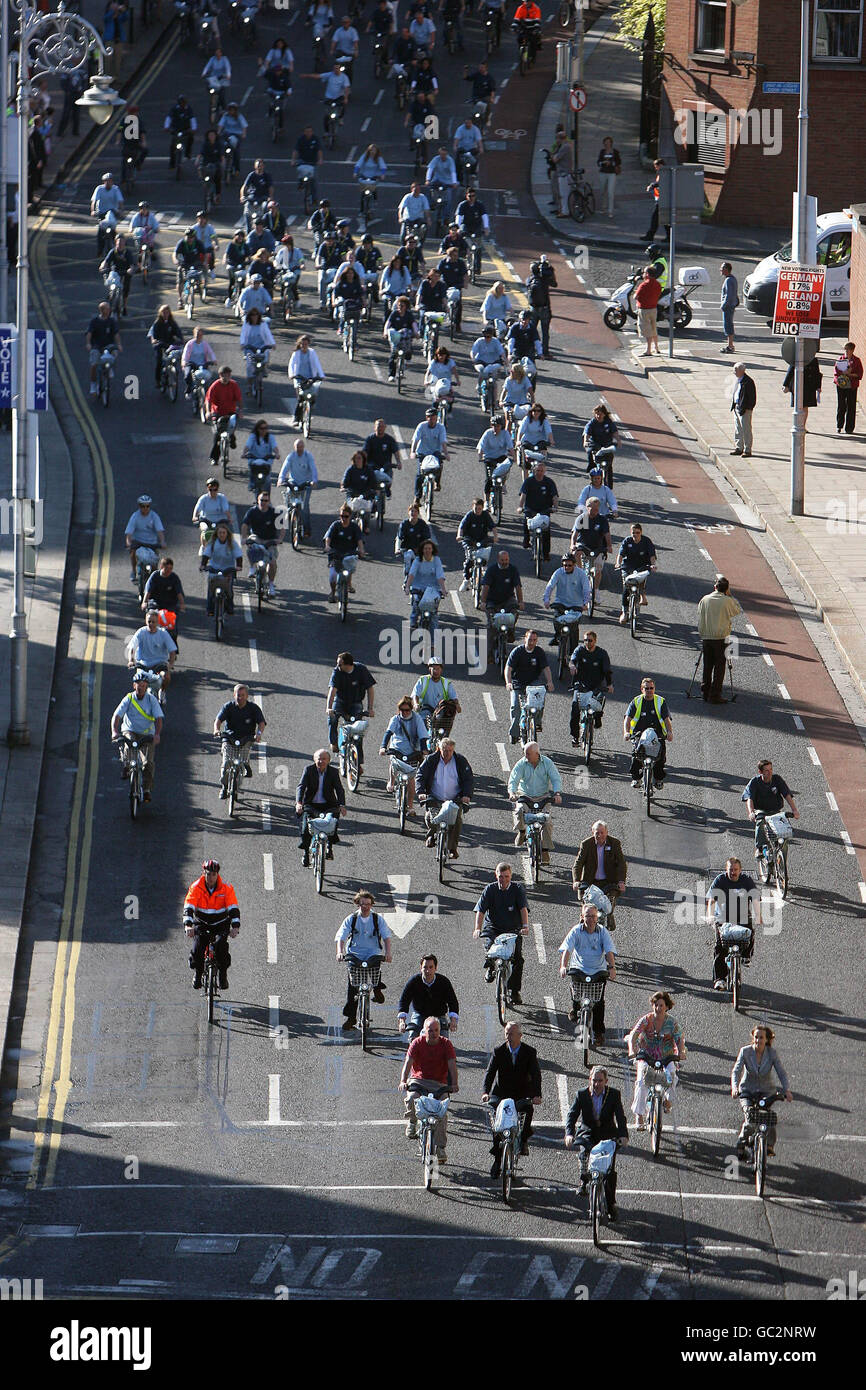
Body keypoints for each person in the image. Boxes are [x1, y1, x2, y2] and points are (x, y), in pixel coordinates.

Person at [564, 1066, 629, 1219]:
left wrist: (623, 1135)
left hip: (607, 1135)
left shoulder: (614, 1095)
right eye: (594, 1080)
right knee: (584, 1154)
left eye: (600, 1081)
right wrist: (569, 1134)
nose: (597, 1084)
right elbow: (572, 1115)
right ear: (590, 1080)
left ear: (606, 1081)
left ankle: (611, 1205)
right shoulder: (581, 1094)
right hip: (588, 1133)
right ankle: (583, 1181)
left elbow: (620, 1117)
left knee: (609, 1172)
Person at [482, 1022, 542, 1176]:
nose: (508, 1037)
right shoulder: (499, 1051)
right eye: (506, 1033)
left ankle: (523, 1140)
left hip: (521, 1093)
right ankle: (497, 1160)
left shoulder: (529, 1052)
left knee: (527, 1111)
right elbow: (490, 1073)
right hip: (501, 1093)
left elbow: (536, 1074)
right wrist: (486, 1092)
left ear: (520, 1036)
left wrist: (537, 1095)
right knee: (497, 1123)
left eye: (511, 1034)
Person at [399, 1016, 457, 1159]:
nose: (434, 1033)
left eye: (436, 1030)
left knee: (442, 1112)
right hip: (419, 1080)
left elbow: (452, 1065)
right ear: (424, 1031)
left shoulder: (446, 1044)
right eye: (430, 1031)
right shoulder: (417, 1043)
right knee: (412, 1098)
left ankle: (441, 1148)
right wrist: (403, 1081)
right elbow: (408, 1062)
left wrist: (454, 1084)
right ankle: (412, 1121)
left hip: (439, 1083)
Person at [731, 1024, 793, 1158]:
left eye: (761, 1037)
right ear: (753, 1038)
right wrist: (735, 1088)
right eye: (756, 1037)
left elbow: (781, 1072)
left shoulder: (772, 1053)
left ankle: (769, 1145)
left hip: (766, 1092)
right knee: (750, 1120)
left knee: (769, 1119)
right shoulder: (745, 1051)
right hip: (747, 1091)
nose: (758, 1040)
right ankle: (741, 1143)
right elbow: (736, 1071)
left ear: (766, 1039)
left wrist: (786, 1090)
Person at [336, 891, 393, 1033]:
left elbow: (386, 936)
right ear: (358, 904)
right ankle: (351, 1018)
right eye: (362, 904)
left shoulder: (377, 919)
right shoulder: (352, 919)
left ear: (372, 904)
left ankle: (377, 989)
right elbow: (341, 936)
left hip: (373, 953)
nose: (365, 907)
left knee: (375, 971)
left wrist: (388, 953)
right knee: (353, 988)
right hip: (355, 954)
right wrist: (339, 952)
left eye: (368, 904)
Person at [626, 992, 685, 1127]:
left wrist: (681, 1052)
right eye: (656, 1005)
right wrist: (632, 1050)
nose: (658, 1008)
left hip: (666, 1056)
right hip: (647, 1055)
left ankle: (668, 1101)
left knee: (671, 1076)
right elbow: (634, 1034)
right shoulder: (646, 1020)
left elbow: (679, 1038)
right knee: (641, 1082)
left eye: (661, 1005)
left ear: (667, 1007)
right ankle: (639, 1115)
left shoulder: (672, 1022)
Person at [474, 862, 529, 1003]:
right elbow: (480, 910)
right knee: (490, 948)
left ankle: (514, 991)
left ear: (511, 876)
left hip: (513, 929)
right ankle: (490, 966)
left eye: (506, 876)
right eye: (501, 876)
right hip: (494, 927)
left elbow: (523, 909)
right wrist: (477, 928)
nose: (503, 880)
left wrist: (525, 926)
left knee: (517, 959)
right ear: (496, 875)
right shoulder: (490, 889)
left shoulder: (517, 889)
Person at [183, 858, 239, 992]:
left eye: (214, 874)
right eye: (208, 874)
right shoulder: (196, 887)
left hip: (221, 924)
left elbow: (233, 908)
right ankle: (198, 974)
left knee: (221, 947)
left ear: (217, 874)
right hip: (202, 923)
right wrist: (188, 925)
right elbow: (189, 906)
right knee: (198, 949)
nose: (211, 877)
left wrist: (235, 927)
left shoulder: (226, 888)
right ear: (204, 873)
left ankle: (223, 975)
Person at [558, 904, 616, 1031]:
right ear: (582, 917)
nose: (591, 919)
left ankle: (599, 1032)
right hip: (579, 969)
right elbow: (567, 949)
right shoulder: (576, 931)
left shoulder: (602, 932)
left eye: (593, 916)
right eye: (588, 916)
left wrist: (612, 968)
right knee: (576, 994)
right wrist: (563, 966)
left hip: (598, 970)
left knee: (599, 1003)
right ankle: (575, 1009)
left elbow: (609, 951)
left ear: (597, 918)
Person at [707, 856, 760, 989]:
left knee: (750, 933)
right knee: (720, 947)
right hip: (722, 918)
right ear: (726, 870)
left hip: (742, 917)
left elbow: (754, 899)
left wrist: (758, 915)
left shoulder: (746, 880)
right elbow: (712, 900)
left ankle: (746, 956)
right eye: (731, 870)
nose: (733, 872)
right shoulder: (720, 880)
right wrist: (710, 916)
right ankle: (720, 979)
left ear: (740, 870)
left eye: (736, 870)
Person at [416, 737, 473, 858]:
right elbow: (420, 775)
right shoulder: (431, 760)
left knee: (456, 821)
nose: (447, 753)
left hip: (454, 799)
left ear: (453, 750)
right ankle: (432, 834)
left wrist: (466, 795)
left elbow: (468, 779)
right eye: (445, 750)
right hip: (435, 798)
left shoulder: (460, 761)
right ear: (439, 749)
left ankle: (452, 848)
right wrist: (421, 792)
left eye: (450, 750)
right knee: (430, 819)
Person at [110, 671, 163, 802]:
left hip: (147, 734)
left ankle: (146, 789)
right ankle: (126, 765)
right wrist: (114, 731)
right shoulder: (128, 698)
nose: (141, 688)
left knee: (148, 763)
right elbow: (116, 716)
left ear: (146, 686)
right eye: (139, 685)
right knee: (128, 742)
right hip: (130, 730)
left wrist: (157, 734)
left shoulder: (152, 700)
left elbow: (158, 719)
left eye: (143, 685)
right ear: (134, 686)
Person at [508, 741, 561, 862]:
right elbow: (513, 779)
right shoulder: (522, 763)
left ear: (537, 754)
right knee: (519, 811)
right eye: (525, 753)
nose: (525, 756)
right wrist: (512, 793)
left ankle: (545, 850)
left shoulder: (547, 763)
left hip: (543, 797)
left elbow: (555, 778)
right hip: (525, 796)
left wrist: (557, 793)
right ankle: (522, 831)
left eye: (528, 754)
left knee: (547, 821)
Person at [572, 820, 627, 930]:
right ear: (592, 832)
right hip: (591, 882)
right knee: (587, 906)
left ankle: (610, 915)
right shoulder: (586, 844)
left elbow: (621, 863)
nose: (599, 835)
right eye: (597, 833)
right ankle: (583, 922)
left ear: (607, 832)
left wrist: (621, 881)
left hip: (609, 881)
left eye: (602, 832)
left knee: (610, 901)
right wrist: (576, 880)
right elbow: (578, 864)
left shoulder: (615, 843)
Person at [213, 683, 266, 798]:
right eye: (238, 695)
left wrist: (258, 734)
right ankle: (224, 787)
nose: (240, 697)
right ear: (234, 695)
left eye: (242, 695)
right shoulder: (228, 706)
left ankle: (244, 770)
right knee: (226, 763)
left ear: (247, 696)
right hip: (229, 738)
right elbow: (218, 720)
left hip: (246, 739)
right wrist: (216, 730)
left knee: (242, 761)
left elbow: (261, 723)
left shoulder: (253, 708)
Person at [296, 747, 347, 865]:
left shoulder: (333, 772)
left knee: (332, 825)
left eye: (324, 759)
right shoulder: (308, 770)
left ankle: (329, 847)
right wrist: (299, 803)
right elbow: (301, 787)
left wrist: (342, 805)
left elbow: (339, 789)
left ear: (328, 760)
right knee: (306, 830)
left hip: (329, 805)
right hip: (311, 805)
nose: (321, 761)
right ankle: (306, 853)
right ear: (314, 760)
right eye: (319, 759)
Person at [697, 575, 742, 703]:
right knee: (720, 666)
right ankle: (715, 695)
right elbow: (737, 611)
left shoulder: (705, 599)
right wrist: (730, 596)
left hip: (706, 636)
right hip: (721, 638)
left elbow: (699, 612)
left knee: (707, 665)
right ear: (726, 589)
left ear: (715, 587)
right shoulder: (727, 601)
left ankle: (705, 692)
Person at [745, 759, 800, 858]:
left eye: (771, 769)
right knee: (760, 823)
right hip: (761, 811)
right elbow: (749, 798)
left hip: (775, 811)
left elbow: (787, 794)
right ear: (760, 772)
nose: (770, 772)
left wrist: (794, 810)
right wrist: (751, 812)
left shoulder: (777, 779)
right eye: (766, 770)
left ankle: (781, 859)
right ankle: (760, 848)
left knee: (784, 832)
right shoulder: (754, 782)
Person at [624, 676, 672, 789]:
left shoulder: (660, 701)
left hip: (657, 734)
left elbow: (666, 719)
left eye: (651, 688)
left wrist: (669, 732)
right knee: (636, 756)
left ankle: (658, 779)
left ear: (654, 689)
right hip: (639, 734)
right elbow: (627, 718)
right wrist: (626, 732)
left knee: (660, 757)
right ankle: (636, 778)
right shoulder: (636, 701)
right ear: (642, 689)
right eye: (646, 688)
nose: (649, 690)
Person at [380, 696, 429, 806]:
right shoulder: (395, 719)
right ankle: (391, 781)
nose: (404, 712)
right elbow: (388, 733)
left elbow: (422, 736)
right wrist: (383, 747)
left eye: (407, 710)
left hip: (412, 751)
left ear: (411, 709)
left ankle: (410, 806)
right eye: (402, 710)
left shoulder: (417, 719)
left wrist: (424, 749)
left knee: (411, 780)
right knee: (393, 763)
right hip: (397, 749)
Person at [568, 629, 613, 743]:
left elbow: (607, 670)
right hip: (581, 685)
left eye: (590, 640)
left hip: (596, 685)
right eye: (585, 640)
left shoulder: (602, 653)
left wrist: (609, 684)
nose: (588, 642)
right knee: (575, 708)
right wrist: (572, 666)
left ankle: (598, 717)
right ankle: (575, 736)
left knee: (599, 704)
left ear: (595, 640)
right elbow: (572, 660)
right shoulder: (580, 650)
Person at [398, 955, 459, 1034]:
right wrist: (402, 1022)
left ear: (435, 968)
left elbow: (453, 1002)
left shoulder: (444, 982)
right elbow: (404, 1001)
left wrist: (453, 1021)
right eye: (425, 967)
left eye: (431, 967)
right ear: (421, 968)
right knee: (413, 1035)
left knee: (444, 1037)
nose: (427, 971)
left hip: (439, 1016)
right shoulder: (414, 981)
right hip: (419, 1015)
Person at [240, 490, 284, 598]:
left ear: (269, 501)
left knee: (272, 563)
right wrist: (244, 538)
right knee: (250, 546)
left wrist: (280, 539)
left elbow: (282, 527)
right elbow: (245, 525)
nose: (263, 502)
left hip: (270, 540)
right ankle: (252, 567)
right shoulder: (252, 511)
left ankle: (271, 585)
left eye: (266, 500)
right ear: (257, 500)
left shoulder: (274, 512)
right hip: (257, 537)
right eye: (261, 500)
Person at [543, 552, 590, 647]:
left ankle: (573, 650)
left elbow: (586, 590)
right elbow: (550, 586)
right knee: (556, 620)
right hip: (560, 603)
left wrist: (585, 603)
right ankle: (557, 636)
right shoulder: (558, 572)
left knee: (574, 627)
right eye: (565, 565)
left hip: (576, 605)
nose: (567, 567)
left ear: (574, 564)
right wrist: (546, 600)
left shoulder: (581, 574)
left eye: (569, 565)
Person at [127, 607, 178, 692]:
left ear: (157, 622)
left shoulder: (163, 633)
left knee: (166, 677)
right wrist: (131, 660)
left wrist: (170, 664)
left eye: (153, 622)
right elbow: (132, 647)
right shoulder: (141, 632)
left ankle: (162, 691)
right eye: (149, 621)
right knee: (138, 682)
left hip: (159, 663)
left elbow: (172, 651)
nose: (151, 624)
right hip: (143, 663)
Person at [615, 521, 656, 625]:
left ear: (641, 532)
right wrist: (618, 563)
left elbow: (652, 555)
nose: (635, 535)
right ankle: (624, 612)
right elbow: (620, 554)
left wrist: (653, 565)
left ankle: (642, 595)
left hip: (642, 567)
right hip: (628, 567)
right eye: (633, 533)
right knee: (626, 587)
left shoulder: (647, 541)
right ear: (631, 532)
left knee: (641, 582)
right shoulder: (627, 541)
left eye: (637, 532)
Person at [517, 458, 558, 560]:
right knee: (526, 523)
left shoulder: (549, 482)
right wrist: (520, 507)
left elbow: (555, 496)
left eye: (541, 471)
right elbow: (523, 495)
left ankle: (546, 553)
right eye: (537, 470)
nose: (539, 472)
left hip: (545, 510)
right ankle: (526, 541)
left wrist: (555, 507)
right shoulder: (528, 481)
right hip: (531, 509)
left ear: (544, 471)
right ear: (534, 470)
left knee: (546, 531)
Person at [277, 438, 318, 538]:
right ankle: (290, 515)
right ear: (294, 447)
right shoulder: (291, 456)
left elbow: (313, 469)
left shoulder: (308, 456)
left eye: (301, 447)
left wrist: (314, 481)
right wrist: (280, 479)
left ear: (303, 447)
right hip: (294, 482)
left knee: (304, 507)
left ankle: (307, 529)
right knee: (288, 497)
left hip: (305, 483)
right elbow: (284, 468)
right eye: (297, 447)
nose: (299, 449)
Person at [200, 521, 242, 617]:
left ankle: (230, 606)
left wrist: (239, 566)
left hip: (228, 569)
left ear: (227, 533)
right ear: (217, 534)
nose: (222, 535)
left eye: (223, 533)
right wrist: (203, 565)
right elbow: (206, 554)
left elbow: (238, 555)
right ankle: (210, 609)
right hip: (214, 569)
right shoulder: (213, 543)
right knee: (211, 589)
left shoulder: (232, 543)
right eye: (220, 533)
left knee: (229, 589)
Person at [323, 506, 365, 600]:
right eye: (342, 516)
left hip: (349, 553)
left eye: (346, 516)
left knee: (348, 569)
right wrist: (327, 546)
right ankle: (333, 593)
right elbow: (328, 537)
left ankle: (348, 584)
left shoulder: (354, 527)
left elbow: (359, 540)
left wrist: (361, 550)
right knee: (333, 575)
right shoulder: (335, 525)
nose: (343, 518)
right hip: (335, 554)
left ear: (350, 516)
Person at [570, 496, 611, 590]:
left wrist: (609, 546)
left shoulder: (602, 520)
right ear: (587, 507)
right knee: (575, 553)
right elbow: (575, 534)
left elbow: (607, 534)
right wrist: (572, 544)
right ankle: (580, 572)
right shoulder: (583, 518)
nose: (595, 511)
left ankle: (595, 591)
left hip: (598, 547)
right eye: (593, 509)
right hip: (583, 545)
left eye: (597, 509)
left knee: (598, 571)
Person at [412, 657, 460, 736]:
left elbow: (453, 697)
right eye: (433, 668)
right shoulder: (423, 680)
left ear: (441, 670)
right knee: (421, 733)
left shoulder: (446, 683)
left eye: (438, 669)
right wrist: (416, 704)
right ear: (429, 669)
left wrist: (457, 705)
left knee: (444, 736)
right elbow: (415, 694)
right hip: (425, 712)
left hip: (441, 713)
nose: (435, 671)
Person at [204, 365, 242, 464]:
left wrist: (240, 411)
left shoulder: (234, 385)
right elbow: (208, 400)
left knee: (232, 426)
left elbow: (239, 399)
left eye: (228, 375)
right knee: (217, 434)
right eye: (225, 375)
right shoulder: (215, 386)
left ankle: (232, 437)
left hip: (230, 412)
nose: (227, 377)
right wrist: (208, 412)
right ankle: (214, 458)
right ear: (220, 375)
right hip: (218, 412)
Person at [406, 539, 447, 631]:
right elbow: (412, 574)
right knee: (416, 604)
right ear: (422, 550)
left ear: (432, 550)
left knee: (434, 611)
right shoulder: (418, 560)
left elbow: (440, 575)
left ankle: (434, 629)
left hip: (433, 588)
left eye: (429, 548)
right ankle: (413, 620)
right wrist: (408, 587)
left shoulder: (436, 560)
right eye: (425, 548)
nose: (427, 550)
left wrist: (443, 589)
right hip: (418, 587)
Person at [410, 405, 449, 499]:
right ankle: (417, 498)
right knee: (420, 475)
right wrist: (413, 452)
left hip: (435, 452)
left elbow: (443, 441)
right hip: (423, 452)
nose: (431, 420)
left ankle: (437, 482)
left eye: (433, 418)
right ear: (426, 418)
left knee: (439, 466)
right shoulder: (421, 426)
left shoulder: (441, 427)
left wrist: (446, 453)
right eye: (429, 418)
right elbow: (415, 439)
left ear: (436, 418)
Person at [457, 497, 497, 588]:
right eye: (476, 508)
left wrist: (495, 537)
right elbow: (462, 527)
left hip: (482, 540)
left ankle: (482, 570)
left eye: (479, 509)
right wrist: (459, 535)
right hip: (469, 540)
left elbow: (493, 526)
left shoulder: (485, 515)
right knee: (469, 559)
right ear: (472, 507)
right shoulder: (469, 515)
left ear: (482, 508)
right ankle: (466, 579)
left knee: (484, 556)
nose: (477, 510)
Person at [124, 495, 165, 583]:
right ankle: (134, 571)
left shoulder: (154, 516)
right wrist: (128, 542)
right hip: (138, 541)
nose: (145, 508)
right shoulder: (135, 516)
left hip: (151, 542)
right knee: (132, 552)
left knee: (155, 559)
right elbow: (129, 532)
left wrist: (162, 542)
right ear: (139, 506)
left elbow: (160, 531)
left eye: (147, 506)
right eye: (143, 506)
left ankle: (154, 575)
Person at [86, 301, 122, 397]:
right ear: (102, 310)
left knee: (115, 352)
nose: (110, 310)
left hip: (109, 345)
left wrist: (119, 344)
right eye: (107, 309)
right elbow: (89, 333)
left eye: (109, 308)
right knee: (94, 364)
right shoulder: (94, 321)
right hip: (97, 345)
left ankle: (110, 368)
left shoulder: (112, 321)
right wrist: (88, 343)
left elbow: (116, 334)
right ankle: (93, 385)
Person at [288, 334, 325, 424]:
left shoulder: (312, 352)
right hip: (299, 378)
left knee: (312, 395)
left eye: (306, 344)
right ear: (300, 344)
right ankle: (296, 418)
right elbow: (291, 364)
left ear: (308, 344)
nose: (304, 346)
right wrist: (292, 375)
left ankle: (308, 409)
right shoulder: (296, 353)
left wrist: (321, 375)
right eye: (302, 344)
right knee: (300, 398)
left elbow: (317, 363)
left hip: (310, 377)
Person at [142, 556, 186, 630]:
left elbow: (179, 592)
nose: (169, 571)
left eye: (170, 569)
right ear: (161, 567)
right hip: (155, 602)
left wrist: (182, 604)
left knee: (171, 624)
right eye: (167, 568)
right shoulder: (155, 576)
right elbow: (148, 590)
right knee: (152, 618)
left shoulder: (174, 577)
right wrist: (144, 602)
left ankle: (171, 635)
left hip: (169, 604)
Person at [476, 415, 514, 498]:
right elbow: (481, 446)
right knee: (489, 480)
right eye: (493, 425)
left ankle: (503, 484)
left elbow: (510, 447)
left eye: (498, 426)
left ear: (501, 426)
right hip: (489, 458)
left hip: (501, 457)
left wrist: (514, 457)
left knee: (505, 468)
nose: (495, 428)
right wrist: (480, 456)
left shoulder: (505, 433)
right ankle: (487, 501)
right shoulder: (487, 433)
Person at [480, 549, 523, 619]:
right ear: (498, 560)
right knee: (491, 616)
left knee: (514, 613)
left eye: (506, 560)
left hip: (508, 598)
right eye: (502, 560)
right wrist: (483, 602)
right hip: (492, 600)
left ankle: (511, 625)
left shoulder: (513, 569)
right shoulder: (491, 570)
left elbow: (518, 586)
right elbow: (486, 586)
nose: (504, 562)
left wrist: (520, 602)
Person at [99, 234, 135, 317]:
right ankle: (111, 294)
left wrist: (130, 269)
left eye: (122, 242)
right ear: (116, 242)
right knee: (110, 283)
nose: (120, 244)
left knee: (125, 290)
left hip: (125, 273)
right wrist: (102, 266)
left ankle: (124, 306)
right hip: (115, 272)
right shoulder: (113, 251)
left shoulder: (128, 252)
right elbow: (106, 261)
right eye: (119, 242)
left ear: (124, 243)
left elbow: (131, 265)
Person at [239, 308, 275, 392]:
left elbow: (268, 334)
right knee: (249, 365)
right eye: (252, 315)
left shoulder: (263, 324)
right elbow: (243, 334)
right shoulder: (247, 324)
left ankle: (264, 368)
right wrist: (242, 344)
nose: (254, 317)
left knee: (266, 354)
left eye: (256, 315)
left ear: (259, 316)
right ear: (250, 316)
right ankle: (249, 385)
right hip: (250, 347)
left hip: (261, 346)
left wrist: (272, 343)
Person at [526, 258, 556, 357]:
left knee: (532, 330)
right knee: (545, 332)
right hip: (544, 308)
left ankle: (531, 350)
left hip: (533, 308)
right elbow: (554, 284)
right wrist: (550, 270)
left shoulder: (529, 280)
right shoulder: (544, 280)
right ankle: (545, 352)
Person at [782, 355, 822, 427]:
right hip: (798, 384)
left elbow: (817, 373)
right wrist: (786, 385)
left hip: (808, 386)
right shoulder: (797, 357)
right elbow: (791, 370)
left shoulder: (813, 360)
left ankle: (802, 425)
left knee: (805, 406)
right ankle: (799, 425)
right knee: (799, 406)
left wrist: (818, 386)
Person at [833, 341, 863, 434]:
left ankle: (849, 428)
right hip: (841, 386)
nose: (846, 351)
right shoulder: (840, 359)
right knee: (841, 405)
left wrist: (850, 374)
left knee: (851, 406)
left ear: (852, 350)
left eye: (848, 349)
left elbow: (860, 374)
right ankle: (839, 426)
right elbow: (836, 373)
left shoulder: (857, 360)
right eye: (845, 349)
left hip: (852, 386)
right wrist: (841, 375)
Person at [470, 323, 506, 397]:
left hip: (493, 362)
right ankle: (479, 385)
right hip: (481, 361)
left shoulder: (496, 341)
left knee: (494, 380)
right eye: (485, 336)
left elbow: (501, 351)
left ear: (492, 335)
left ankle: (494, 400)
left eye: (488, 336)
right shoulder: (479, 341)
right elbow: (473, 351)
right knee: (481, 370)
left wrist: (505, 359)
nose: (486, 338)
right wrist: (473, 358)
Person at [174, 225, 205, 309]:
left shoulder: (198, 243)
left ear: (194, 237)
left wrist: (205, 262)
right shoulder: (181, 243)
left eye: (191, 237)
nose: (189, 238)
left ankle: (199, 286)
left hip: (195, 263)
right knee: (180, 280)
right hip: (184, 263)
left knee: (199, 274)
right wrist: (175, 260)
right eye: (188, 236)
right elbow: (175, 253)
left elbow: (204, 254)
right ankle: (180, 299)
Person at [181, 325, 216, 398]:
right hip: (191, 363)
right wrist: (184, 361)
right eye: (197, 334)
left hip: (202, 364)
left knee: (208, 377)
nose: (198, 336)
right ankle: (189, 390)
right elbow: (185, 353)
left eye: (200, 335)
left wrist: (214, 360)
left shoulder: (204, 344)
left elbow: (210, 352)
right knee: (187, 376)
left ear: (202, 335)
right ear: (194, 334)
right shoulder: (190, 344)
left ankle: (207, 394)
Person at [582, 402, 618, 475]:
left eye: (600, 414)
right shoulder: (592, 423)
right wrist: (585, 441)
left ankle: (609, 476)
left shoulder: (609, 422)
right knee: (590, 452)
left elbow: (614, 432)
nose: (598, 416)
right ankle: (591, 466)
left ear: (604, 414)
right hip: (595, 443)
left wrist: (618, 440)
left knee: (609, 460)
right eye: (596, 414)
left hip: (607, 444)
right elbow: (587, 433)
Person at [730, 361, 756, 457]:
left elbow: (752, 398)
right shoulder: (737, 379)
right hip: (737, 407)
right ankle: (739, 447)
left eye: (735, 370)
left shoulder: (748, 382)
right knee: (738, 429)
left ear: (742, 371)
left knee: (746, 430)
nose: (734, 372)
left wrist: (747, 408)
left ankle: (747, 450)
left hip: (744, 409)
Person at [635, 264, 662, 356]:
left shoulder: (644, 285)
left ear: (647, 274)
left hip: (644, 310)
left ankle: (648, 350)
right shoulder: (658, 284)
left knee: (647, 330)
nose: (643, 274)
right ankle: (656, 347)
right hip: (653, 309)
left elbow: (636, 296)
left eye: (644, 272)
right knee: (654, 328)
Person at [293, 124, 324, 202]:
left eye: (310, 131)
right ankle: (300, 183)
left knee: (313, 180)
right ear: (304, 132)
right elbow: (296, 150)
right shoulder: (300, 139)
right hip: (302, 161)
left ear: (312, 132)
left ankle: (314, 198)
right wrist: (293, 160)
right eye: (307, 131)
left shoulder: (315, 139)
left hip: (313, 162)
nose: (308, 133)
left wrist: (320, 159)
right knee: (300, 172)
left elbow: (319, 150)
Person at [165, 95, 198, 169]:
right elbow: (169, 118)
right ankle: (172, 163)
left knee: (190, 139)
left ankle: (188, 153)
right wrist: (167, 127)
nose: (182, 104)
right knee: (172, 146)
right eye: (181, 102)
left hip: (186, 130)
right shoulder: (174, 109)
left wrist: (194, 128)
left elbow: (192, 119)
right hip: (175, 129)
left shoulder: (189, 109)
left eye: (184, 102)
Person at [397, 503, 432, 571]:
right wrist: (397, 549)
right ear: (408, 512)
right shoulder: (404, 524)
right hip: (406, 548)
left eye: (415, 511)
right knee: (408, 555)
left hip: (419, 549)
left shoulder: (422, 524)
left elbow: (428, 539)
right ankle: (407, 572)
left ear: (418, 513)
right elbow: (399, 538)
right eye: (412, 511)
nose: (413, 513)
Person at [548, 125, 574, 217]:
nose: (556, 140)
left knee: (564, 194)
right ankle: (562, 210)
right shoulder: (564, 146)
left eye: (557, 138)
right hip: (563, 173)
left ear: (560, 139)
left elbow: (555, 159)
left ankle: (565, 212)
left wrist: (552, 155)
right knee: (563, 193)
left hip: (564, 173)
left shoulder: (565, 147)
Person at [596, 136, 621, 218]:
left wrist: (611, 163)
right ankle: (603, 207)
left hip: (612, 173)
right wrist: (603, 163)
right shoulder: (602, 152)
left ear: (611, 143)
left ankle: (610, 211)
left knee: (610, 192)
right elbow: (598, 162)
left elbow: (618, 162)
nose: (607, 144)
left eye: (608, 142)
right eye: (605, 143)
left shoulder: (615, 152)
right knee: (602, 191)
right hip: (603, 173)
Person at [644, 157, 664, 240]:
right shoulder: (662, 173)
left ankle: (650, 236)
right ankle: (669, 236)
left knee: (655, 218)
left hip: (662, 200)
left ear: (661, 165)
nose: (656, 169)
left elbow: (659, 183)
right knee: (664, 218)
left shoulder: (664, 173)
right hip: (660, 199)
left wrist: (652, 185)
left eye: (656, 167)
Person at [720, 261, 738, 352]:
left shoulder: (728, 280)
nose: (720, 270)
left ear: (726, 269)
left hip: (728, 306)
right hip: (731, 305)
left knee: (728, 325)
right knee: (729, 324)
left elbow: (729, 295)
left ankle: (730, 346)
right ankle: (730, 345)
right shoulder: (732, 279)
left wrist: (724, 305)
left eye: (722, 268)